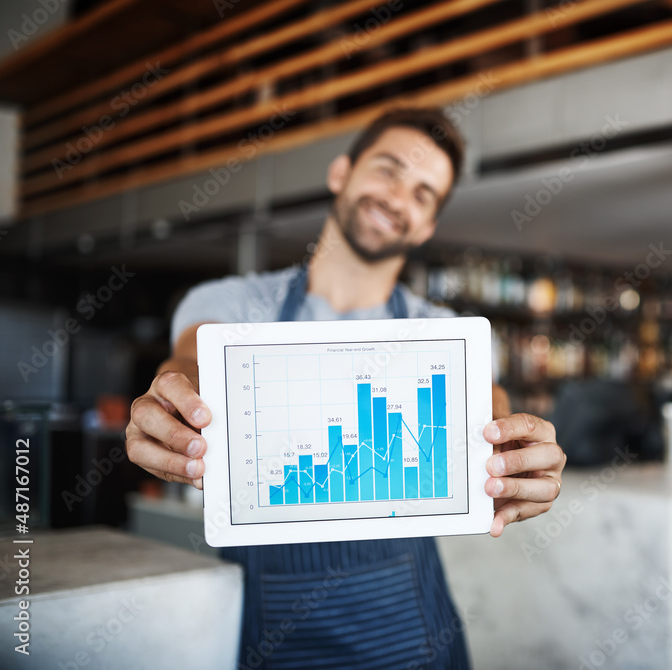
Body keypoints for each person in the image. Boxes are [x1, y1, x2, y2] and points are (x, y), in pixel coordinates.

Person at [125, 107, 566, 669]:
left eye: (423, 193)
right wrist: (169, 400)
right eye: (387, 169)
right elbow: (189, 362)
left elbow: (490, 405)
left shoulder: (442, 332)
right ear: (341, 173)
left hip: (414, 633)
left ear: (427, 224)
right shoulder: (229, 305)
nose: (397, 197)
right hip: (272, 633)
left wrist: (514, 455)